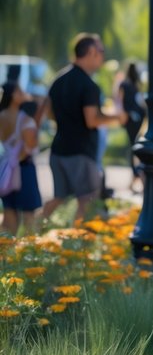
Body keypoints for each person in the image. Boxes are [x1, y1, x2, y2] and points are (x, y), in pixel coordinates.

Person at [42, 34, 125, 223]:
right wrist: (117, 117)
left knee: (58, 198)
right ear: (91, 52)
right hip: (80, 153)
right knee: (88, 203)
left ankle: (32, 232)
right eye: (101, 52)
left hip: (58, 150)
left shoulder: (58, 80)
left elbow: (49, 113)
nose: (102, 57)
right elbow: (92, 120)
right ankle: (80, 246)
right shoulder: (89, 86)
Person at [0, 82, 42, 234]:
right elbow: (29, 146)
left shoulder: (2, 116)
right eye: (20, 91)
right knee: (29, 215)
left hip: (5, 170)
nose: (24, 93)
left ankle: (5, 251)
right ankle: (27, 252)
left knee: (9, 215)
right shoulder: (24, 119)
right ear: (13, 95)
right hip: (23, 168)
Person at [117, 62, 147, 192]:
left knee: (133, 147)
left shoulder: (124, 84)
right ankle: (136, 176)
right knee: (136, 146)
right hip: (139, 117)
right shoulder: (136, 85)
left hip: (130, 118)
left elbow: (119, 101)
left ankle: (136, 174)